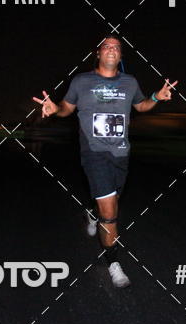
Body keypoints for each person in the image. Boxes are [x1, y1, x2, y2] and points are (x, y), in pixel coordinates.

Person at [32, 34, 178, 288]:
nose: (112, 49)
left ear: (120, 56)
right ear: (98, 54)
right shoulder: (81, 81)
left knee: (111, 201)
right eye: (106, 46)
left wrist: (156, 96)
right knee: (110, 213)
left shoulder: (130, 82)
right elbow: (67, 108)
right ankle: (113, 262)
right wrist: (55, 109)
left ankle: (93, 214)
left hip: (121, 153)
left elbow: (141, 106)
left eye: (117, 47)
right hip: (94, 153)